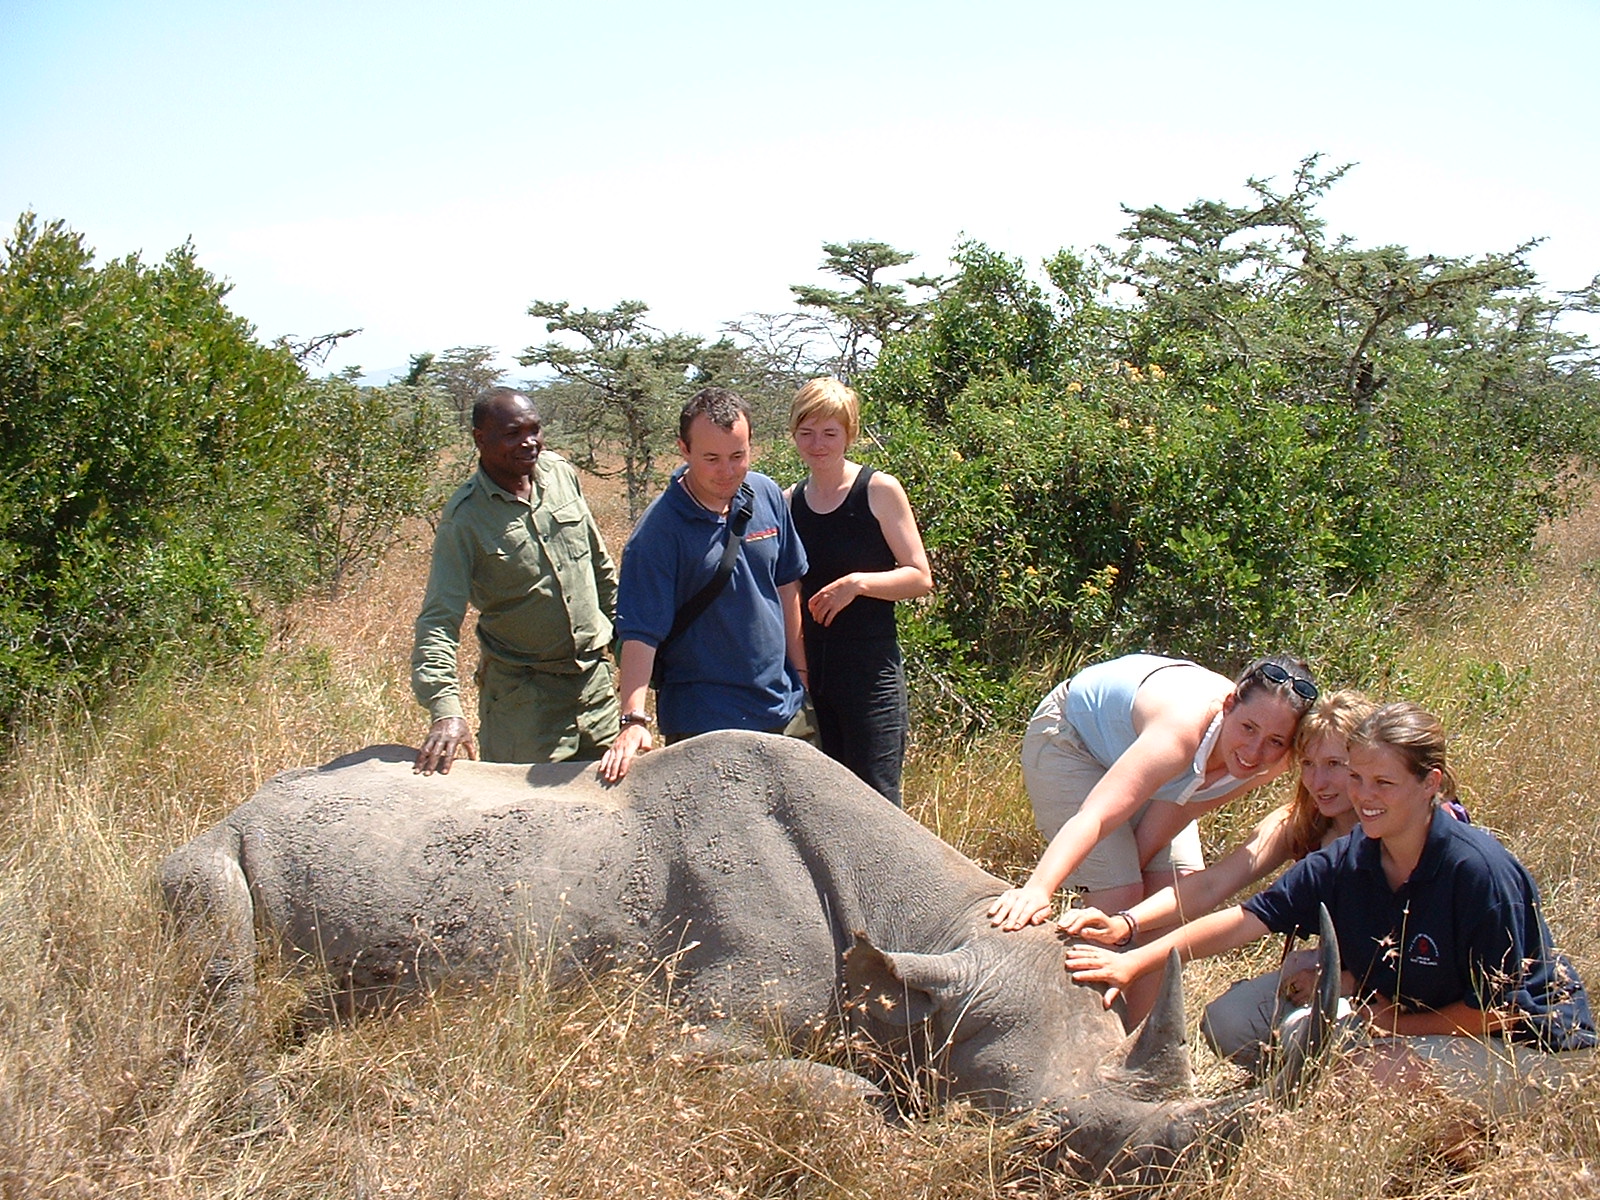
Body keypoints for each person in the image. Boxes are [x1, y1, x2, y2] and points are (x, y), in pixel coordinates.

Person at [1065, 702, 1596, 1105]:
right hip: (1400, 1014)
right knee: (1290, 1038)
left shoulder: (1477, 870)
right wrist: (1131, 955)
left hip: (1527, 1049)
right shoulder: (1349, 856)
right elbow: (1242, 920)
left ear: (1429, 783)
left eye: (1383, 782)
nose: (1363, 795)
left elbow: (1502, 1010)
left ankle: (1467, 1135)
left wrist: (1393, 1027)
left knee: (1357, 1074)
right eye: (1357, 778)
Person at [1060, 690, 1375, 1045]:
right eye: (1308, 764)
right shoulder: (1299, 824)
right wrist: (1126, 922)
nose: (1318, 782)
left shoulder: (1399, 830)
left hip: (1401, 983)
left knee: (1319, 1032)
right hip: (1334, 966)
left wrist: (1345, 982)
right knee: (1227, 1021)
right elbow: (1213, 884)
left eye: (1334, 765)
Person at [989, 653, 1318, 933]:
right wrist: (1038, 889)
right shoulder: (1181, 731)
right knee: (1119, 894)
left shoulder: (1274, 761)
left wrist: (1136, 876)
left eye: (1275, 741)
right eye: (1248, 728)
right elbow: (1096, 816)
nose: (1254, 751)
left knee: (1169, 904)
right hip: (1073, 741)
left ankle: (1135, 991)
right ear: (1229, 705)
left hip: (1154, 769)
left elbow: (1185, 806)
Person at [599, 387, 808, 783]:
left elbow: (786, 585)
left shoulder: (765, 494)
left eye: (738, 456)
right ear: (684, 450)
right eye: (711, 459)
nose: (727, 470)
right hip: (705, 719)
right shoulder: (658, 532)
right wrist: (633, 719)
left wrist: (802, 673)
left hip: (783, 706)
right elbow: (640, 632)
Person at [411, 387, 619, 773]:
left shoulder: (559, 474)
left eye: (534, 429)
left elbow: (600, 571)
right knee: (526, 809)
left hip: (596, 691)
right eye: (512, 434)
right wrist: (445, 711)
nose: (529, 442)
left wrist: (634, 657)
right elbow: (438, 621)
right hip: (525, 705)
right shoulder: (465, 518)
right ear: (480, 438)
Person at [786, 377, 933, 806]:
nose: (817, 444)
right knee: (823, 802)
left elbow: (919, 576)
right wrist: (798, 672)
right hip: (813, 674)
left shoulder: (878, 490)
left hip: (871, 675)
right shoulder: (788, 501)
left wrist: (858, 584)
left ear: (849, 434)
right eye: (807, 433)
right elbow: (787, 593)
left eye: (830, 433)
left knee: (877, 800)